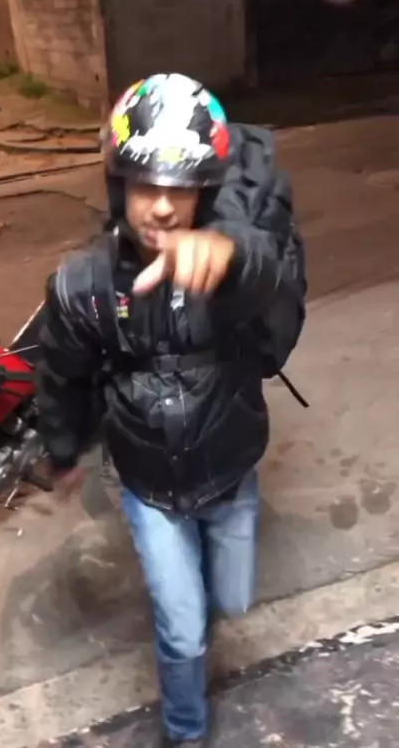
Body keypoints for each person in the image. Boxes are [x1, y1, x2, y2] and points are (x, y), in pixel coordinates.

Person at [36, 73, 306, 746]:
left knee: (232, 601)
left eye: (181, 189)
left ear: (205, 192)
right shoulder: (84, 286)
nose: (161, 207)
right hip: (151, 490)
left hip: (231, 474)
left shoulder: (226, 264)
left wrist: (233, 258)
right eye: (144, 185)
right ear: (117, 184)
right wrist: (63, 448)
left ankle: (199, 605)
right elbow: (63, 376)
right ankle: (187, 730)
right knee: (183, 629)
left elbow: (279, 290)